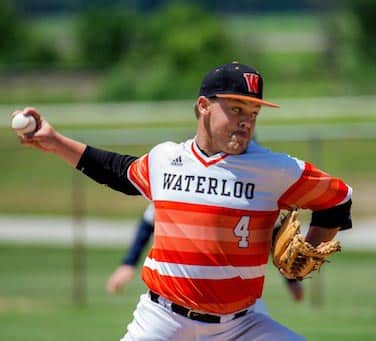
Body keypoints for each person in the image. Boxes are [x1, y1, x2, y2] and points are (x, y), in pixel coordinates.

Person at [13, 61, 352, 340]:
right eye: (235, 109)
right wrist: (54, 141)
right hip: (161, 321)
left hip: (240, 326)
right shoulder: (164, 159)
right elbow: (117, 171)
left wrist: (311, 244)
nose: (246, 121)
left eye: (253, 113)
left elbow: (338, 198)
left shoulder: (274, 170)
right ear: (203, 106)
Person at [106, 203, 304, 305]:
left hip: (241, 300)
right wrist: (128, 263)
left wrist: (291, 280)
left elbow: (279, 239)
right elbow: (149, 221)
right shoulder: (187, 178)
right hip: (184, 295)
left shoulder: (260, 185)